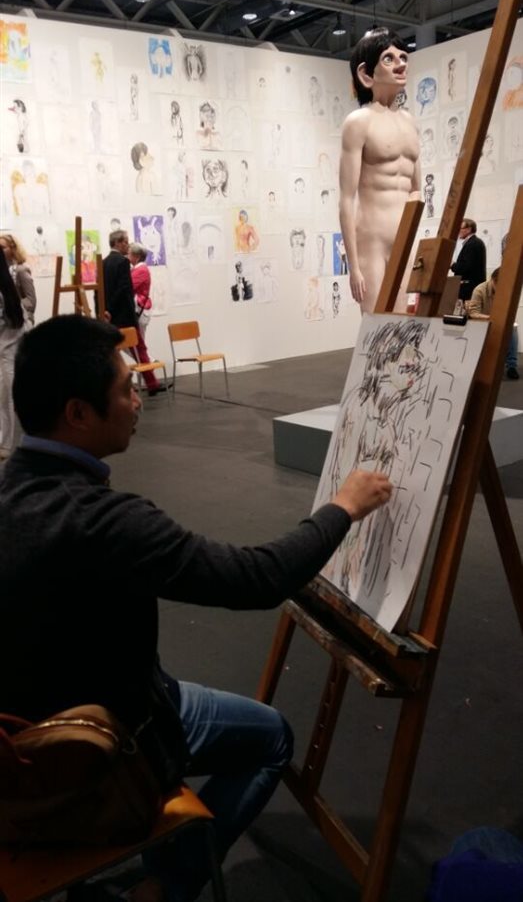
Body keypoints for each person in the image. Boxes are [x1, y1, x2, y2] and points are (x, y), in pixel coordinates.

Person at [1, 313, 392, 901]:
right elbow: (257, 579)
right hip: (110, 746)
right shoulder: (107, 524)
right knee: (272, 739)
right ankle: (164, 885)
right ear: (78, 414)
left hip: (22, 746)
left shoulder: (11, 490)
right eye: (125, 390)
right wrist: (344, 506)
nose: (138, 399)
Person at [339, 27, 421, 314]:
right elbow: (346, 198)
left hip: (405, 238)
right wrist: (353, 266)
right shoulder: (359, 122)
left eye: (403, 57)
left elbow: (416, 191)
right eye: (389, 58)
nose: (400, 64)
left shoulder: (410, 123)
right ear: (365, 74)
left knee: (404, 325)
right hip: (371, 237)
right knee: (375, 326)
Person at [102, 230, 164, 396]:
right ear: (117, 243)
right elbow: (124, 289)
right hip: (124, 315)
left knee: (114, 351)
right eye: (125, 242)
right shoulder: (123, 262)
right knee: (139, 348)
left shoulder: (103, 262)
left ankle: (120, 386)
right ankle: (151, 383)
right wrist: (111, 309)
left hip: (110, 316)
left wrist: (103, 310)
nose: (127, 245)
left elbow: (98, 291)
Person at [467, 267, 519, 380]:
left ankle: (511, 366)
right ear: (493, 281)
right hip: (481, 323)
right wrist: (491, 318)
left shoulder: (505, 291)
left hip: (497, 322)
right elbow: (473, 313)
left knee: (512, 328)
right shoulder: (479, 290)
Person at [0, 249, 25, 460]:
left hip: (6, 348)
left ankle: (5, 444)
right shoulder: (7, 286)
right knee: (5, 396)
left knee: (6, 396)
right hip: (6, 346)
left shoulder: (6, 288)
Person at [0, 232, 37, 324]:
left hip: (22, 321)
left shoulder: (21, 270)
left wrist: (10, 303)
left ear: (13, 249)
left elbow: (31, 301)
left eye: (2, 248)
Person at [450, 218, 487, 302]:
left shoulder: (472, 244)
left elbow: (466, 267)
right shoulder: (474, 242)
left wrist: (452, 265)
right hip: (472, 287)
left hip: (469, 288)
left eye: (460, 228)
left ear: (469, 229)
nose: (458, 231)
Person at [129, 242, 153, 339]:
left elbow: (129, 286)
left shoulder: (141, 270)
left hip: (140, 308)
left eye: (129, 254)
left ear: (137, 257)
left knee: (139, 340)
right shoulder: (137, 269)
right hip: (139, 308)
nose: (127, 256)